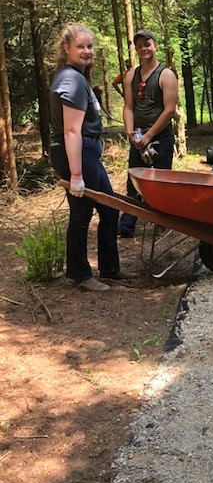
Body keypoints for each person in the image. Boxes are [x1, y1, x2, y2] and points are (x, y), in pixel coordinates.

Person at [49, 23, 133, 291]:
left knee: (109, 210)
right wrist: (76, 176)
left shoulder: (76, 76)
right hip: (77, 154)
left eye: (89, 46)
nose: (87, 51)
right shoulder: (71, 80)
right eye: (80, 47)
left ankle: (109, 268)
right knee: (81, 214)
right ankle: (79, 275)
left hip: (87, 153)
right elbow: (71, 130)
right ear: (66, 49)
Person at [118, 30, 178, 238]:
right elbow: (128, 106)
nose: (144, 48)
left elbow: (169, 110)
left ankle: (163, 223)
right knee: (133, 180)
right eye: (140, 45)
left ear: (155, 46)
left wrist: (150, 135)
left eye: (148, 44)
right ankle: (126, 227)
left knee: (161, 183)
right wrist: (130, 132)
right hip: (138, 138)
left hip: (160, 137)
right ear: (135, 49)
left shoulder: (166, 75)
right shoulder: (130, 76)